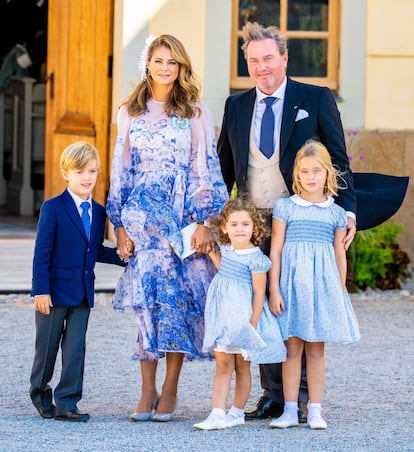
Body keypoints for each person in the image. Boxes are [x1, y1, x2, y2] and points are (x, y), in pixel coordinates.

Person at [217, 21, 357, 422]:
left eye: (268, 58)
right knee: (262, 304)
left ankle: (306, 398)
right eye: (253, 60)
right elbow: (225, 168)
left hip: (301, 223)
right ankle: (274, 396)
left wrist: (346, 212)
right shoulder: (236, 106)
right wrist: (218, 221)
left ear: (284, 59)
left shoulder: (314, 98)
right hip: (253, 224)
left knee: (302, 304)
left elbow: (339, 160)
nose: (261, 67)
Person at [106, 34, 228, 422]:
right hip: (142, 222)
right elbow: (120, 170)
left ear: (181, 67)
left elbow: (206, 167)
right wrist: (119, 225)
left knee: (176, 305)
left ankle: (171, 388)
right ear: (147, 64)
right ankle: (147, 390)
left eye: (172, 62)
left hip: (182, 221)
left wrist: (208, 221)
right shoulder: (129, 112)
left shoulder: (195, 111)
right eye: (158, 60)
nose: (164, 68)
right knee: (147, 306)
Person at [30, 142, 128, 422]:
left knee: (75, 350)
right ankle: (39, 393)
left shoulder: (98, 211)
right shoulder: (53, 208)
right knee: (46, 348)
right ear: (65, 173)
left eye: (93, 171)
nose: (87, 177)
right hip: (53, 292)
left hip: (82, 293)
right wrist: (41, 290)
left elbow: (94, 250)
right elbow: (42, 253)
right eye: (80, 171)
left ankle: (67, 402)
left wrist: (125, 257)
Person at [268, 140, 360, 429]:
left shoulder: (335, 213)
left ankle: (316, 409)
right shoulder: (285, 208)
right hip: (292, 287)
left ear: (327, 174)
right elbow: (276, 250)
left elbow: (338, 253)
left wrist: (340, 287)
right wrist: (274, 288)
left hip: (321, 288)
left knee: (316, 350)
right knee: (292, 350)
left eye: (316, 171)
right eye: (305, 171)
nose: (311, 176)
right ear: (296, 174)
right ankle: (290, 410)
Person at [193, 196, 286, 430]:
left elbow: (258, 293)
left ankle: (236, 412)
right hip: (224, 316)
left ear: (254, 226)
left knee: (243, 366)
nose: (240, 229)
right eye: (234, 224)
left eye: (245, 224)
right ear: (224, 227)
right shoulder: (226, 250)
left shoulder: (257, 258)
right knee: (223, 364)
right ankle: (217, 413)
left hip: (243, 320)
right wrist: (213, 254)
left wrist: (252, 324)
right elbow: (225, 271)